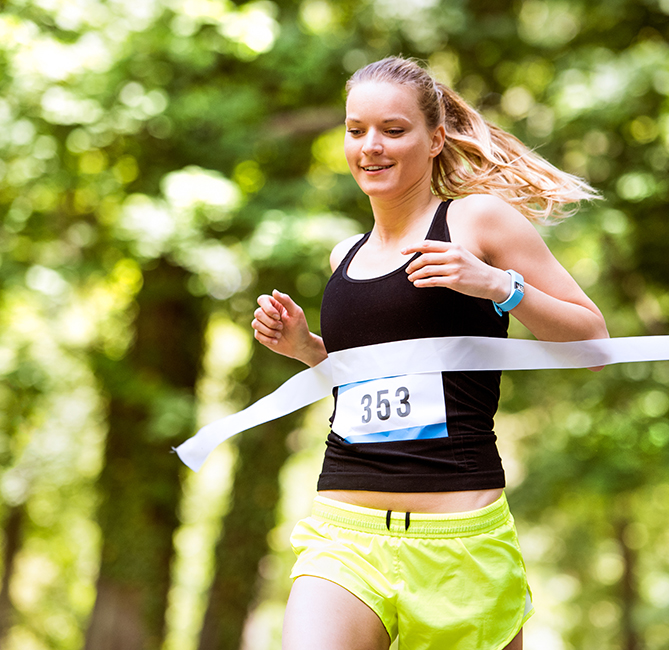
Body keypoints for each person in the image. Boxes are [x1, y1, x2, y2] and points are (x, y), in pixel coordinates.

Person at [252, 56, 608, 650]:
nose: (371, 147)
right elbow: (364, 384)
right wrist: (308, 349)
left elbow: (594, 345)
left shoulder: (478, 221)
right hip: (346, 534)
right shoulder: (345, 255)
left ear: (435, 137)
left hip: (460, 541)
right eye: (355, 130)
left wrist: (499, 287)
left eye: (393, 130)